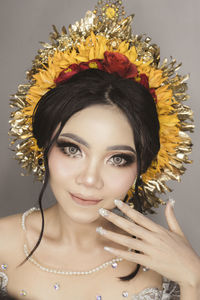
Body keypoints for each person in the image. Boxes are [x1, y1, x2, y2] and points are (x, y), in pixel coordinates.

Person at [0, 0, 200, 299]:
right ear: (43, 146)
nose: (90, 179)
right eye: (72, 149)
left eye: (118, 159)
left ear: (144, 165)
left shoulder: (165, 268)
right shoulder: (2, 243)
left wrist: (193, 280)